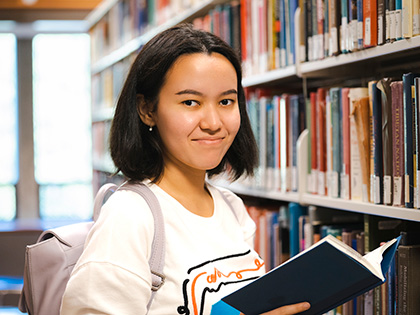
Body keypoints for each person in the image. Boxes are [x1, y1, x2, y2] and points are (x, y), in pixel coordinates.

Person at [61, 24, 310, 315]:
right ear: (147, 110)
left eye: (226, 101)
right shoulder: (129, 216)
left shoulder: (232, 208)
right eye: (190, 102)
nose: (213, 122)